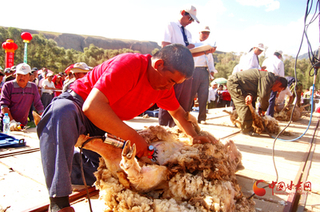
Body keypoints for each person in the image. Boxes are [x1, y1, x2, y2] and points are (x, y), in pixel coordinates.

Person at [37, 44, 216, 212]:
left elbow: (177, 113)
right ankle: (59, 202)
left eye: (175, 84)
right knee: (60, 113)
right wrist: (133, 137)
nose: (170, 87)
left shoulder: (162, 87)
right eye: (170, 80)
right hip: (79, 105)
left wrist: (193, 135)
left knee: (116, 173)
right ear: (159, 64)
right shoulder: (130, 65)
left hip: (106, 122)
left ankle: (71, 162)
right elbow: (92, 107)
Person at [159, 5, 214, 127]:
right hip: (171, 66)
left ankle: (176, 126)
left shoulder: (188, 33)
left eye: (193, 20)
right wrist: (183, 49)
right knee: (169, 96)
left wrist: (205, 51)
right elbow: (165, 45)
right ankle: (163, 125)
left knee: (183, 98)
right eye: (190, 19)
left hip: (184, 68)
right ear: (183, 13)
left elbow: (189, 51)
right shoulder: (171, 25)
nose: (191, 22)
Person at [227, 69, 287, 135]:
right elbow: (263, 96)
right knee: (244, 106)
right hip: (235, 83)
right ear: (279, 83)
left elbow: (257, 90)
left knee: (250, 105)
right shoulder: (268, 79)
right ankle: (246, 130)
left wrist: (251, 97)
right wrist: (263, 109)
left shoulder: (269, 80)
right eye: (278, 89)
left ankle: (245, 124)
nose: (276, 91)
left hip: (244, 86)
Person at [0, 63, 44, 131]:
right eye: (19, 75)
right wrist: (11, 121)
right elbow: (4, 105)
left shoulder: (33, 87)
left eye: (24, 75)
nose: (22, 77)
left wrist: (44, 117)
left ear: (29, 76)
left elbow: (38, 104)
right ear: (15, 75)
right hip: (6, 124)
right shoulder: (8, 86)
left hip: (22, 124)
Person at [189, 26, 217, 123]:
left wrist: (212, 70)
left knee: (203, 95)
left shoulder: (208, 45)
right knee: (190, 95)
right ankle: (186, 115)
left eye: (207, 33)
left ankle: (202, 118)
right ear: (199, 32)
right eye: (204, 32)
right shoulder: (193, 43)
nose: (205, 35)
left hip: (204, 72)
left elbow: (210, 60)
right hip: (194, 70)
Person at [263, 51, 285, 117]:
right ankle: (269, 115)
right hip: (274, 81)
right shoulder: (280, 62)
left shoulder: (266, 60)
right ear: (279, 56)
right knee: (272, 98)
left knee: (263, 96)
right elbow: (281, 76)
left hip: (264, 79)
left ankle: (261, 113)